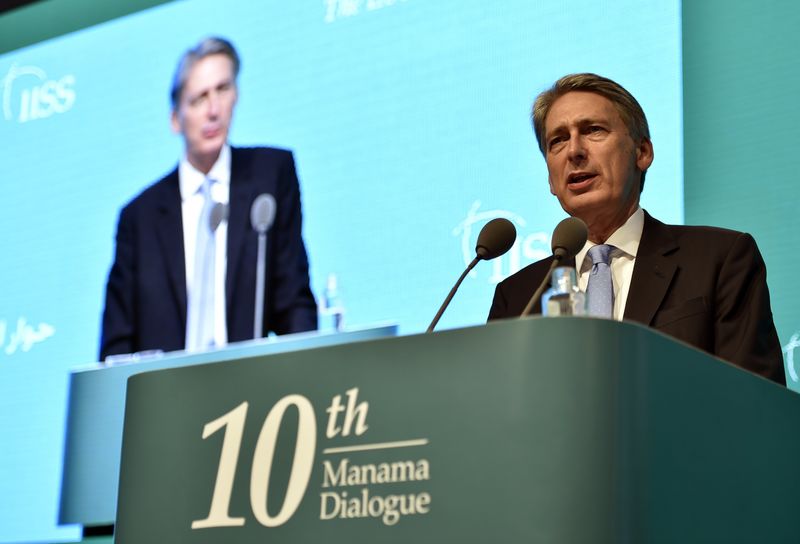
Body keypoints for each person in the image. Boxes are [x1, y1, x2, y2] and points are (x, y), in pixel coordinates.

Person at [488, 73, 785, 385]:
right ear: (551, 179)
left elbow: (756, 403)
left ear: (642, 152)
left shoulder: (719, 260)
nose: (573, 151)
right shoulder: (518, 297)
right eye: (557, 141)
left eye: (593, 130)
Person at [100, 37, 316, 360]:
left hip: (253, 393)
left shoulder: (270, 176)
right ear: (175, 118)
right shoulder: (139, 217)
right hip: (166, 398)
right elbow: (117, 344)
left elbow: (293, 302)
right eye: (199, 98)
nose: (213, 110)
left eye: (222, 89)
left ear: (236, 96)